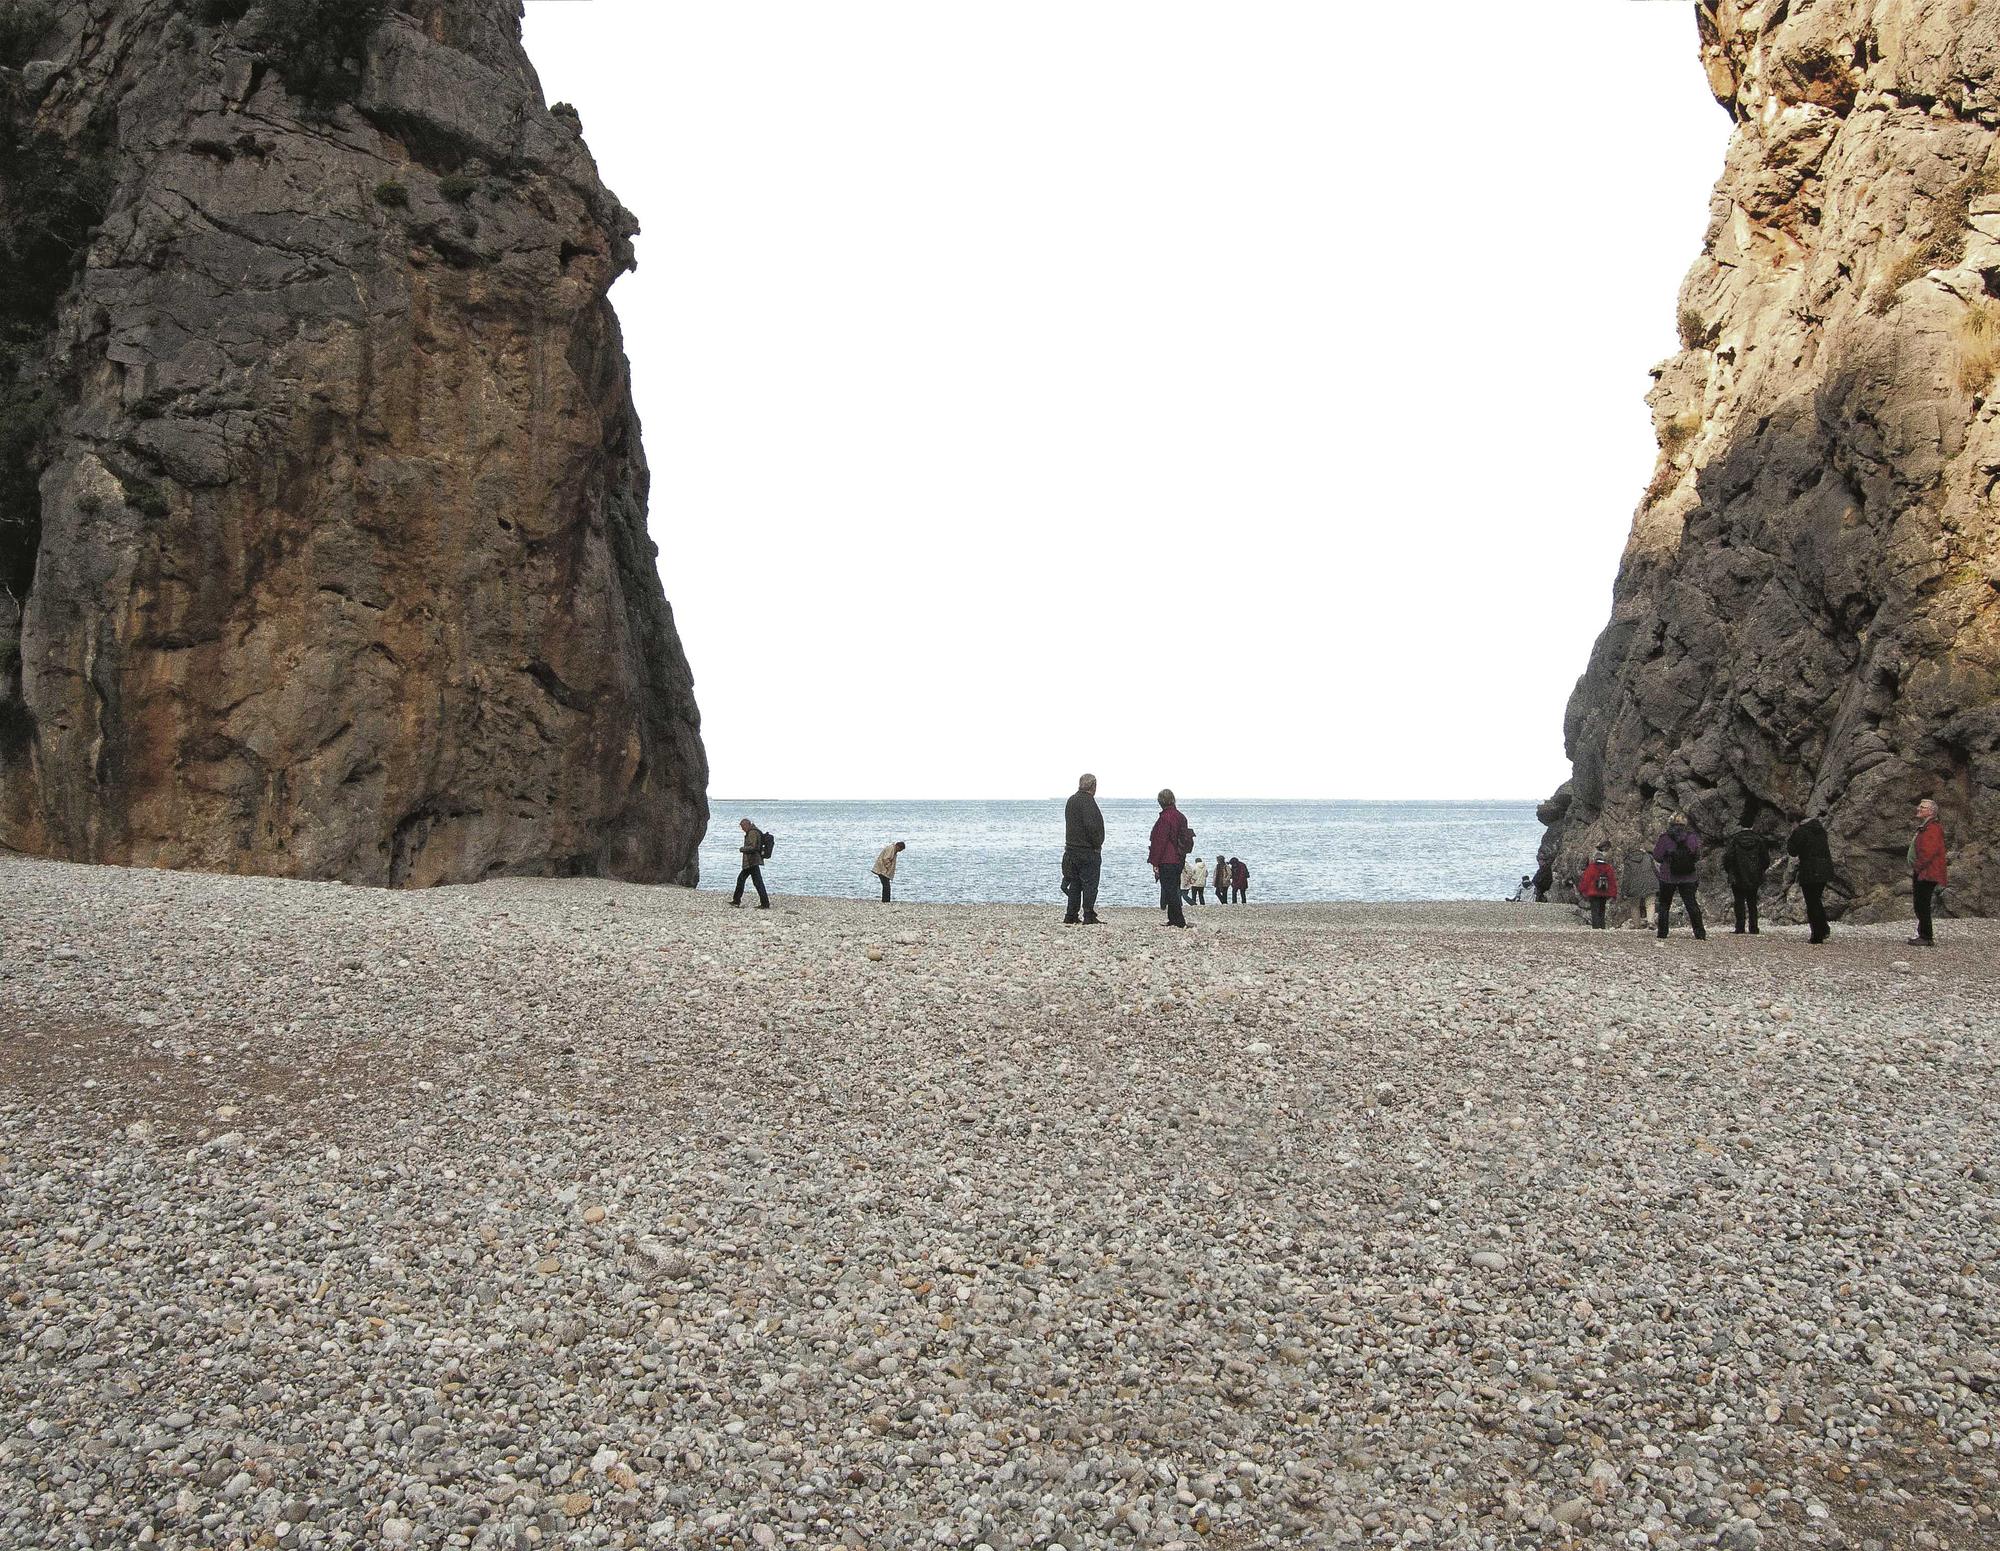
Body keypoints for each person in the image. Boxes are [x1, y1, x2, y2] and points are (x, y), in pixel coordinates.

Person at [1651, 812, 1706, 940]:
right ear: (1685, 824)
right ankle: (1700, 933)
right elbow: (1697, 856)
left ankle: (1662, 933)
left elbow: (1657, 856)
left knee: (1664, 905)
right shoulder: (1692, 837)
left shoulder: (1664, 838)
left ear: (1671, 823)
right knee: (1692, 904)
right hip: (1688, 876)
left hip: (1668, 876)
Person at [1062, 773, 1105, 926]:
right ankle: (1088, 914)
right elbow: (1091, 826)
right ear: (1093, 786)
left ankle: (1071, 914)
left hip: (1071, 849)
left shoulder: (1071, 800)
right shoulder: (1088, 802)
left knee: (1075, 884)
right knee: (1090, 884)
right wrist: (1097, 844)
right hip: (1087, 850)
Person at [1148, 788, 1195, 928]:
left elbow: (1159, 842)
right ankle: (1173, 919)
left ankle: (1178, 920)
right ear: (1173, 800)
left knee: (1170, 890)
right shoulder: (1181, 816)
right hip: (1179, 858)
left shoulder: (1164, 818)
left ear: (1160, 802)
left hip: (1167, 859)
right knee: (1173, 888)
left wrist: (1154, 862)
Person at [1785, 813, 1835, 944]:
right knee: (1816, 900)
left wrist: (1792, 835)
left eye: (1791, 824)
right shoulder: (1820, 829)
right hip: (1825, 869)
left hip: (1810, 870)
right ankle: (1823, 928)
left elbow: (1792, 851)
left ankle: (1817, 935)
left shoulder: (1800, 831)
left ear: (1795, 821)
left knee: (1812, 902)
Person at [1722, 809, 1770, 934]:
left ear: (1741, 825)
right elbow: (1765, 859)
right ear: (1752, 825)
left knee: (1739, 901)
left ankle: (1740, 927)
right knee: (1752, 902)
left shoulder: (1735, 839)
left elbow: (1728, 857)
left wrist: (1730, 871)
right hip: (1754, 875)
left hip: (1737, 875)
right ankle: (1754, 927)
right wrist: (1760, 869)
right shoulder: (1759, 840)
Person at [1909, 797, 1947, 947]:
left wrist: (1917, 867)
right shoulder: (1928, 826)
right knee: (1920, 903)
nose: (1919, 808)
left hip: (1927, 872)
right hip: (1925, 871)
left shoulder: (1932, 828)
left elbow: (1928, 852)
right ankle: (1923, 933)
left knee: (1922, 903)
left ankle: (1926, 936)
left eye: (1922, 807)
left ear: (1931, 811)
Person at [733, 817, 771, 909]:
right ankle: (737, 900)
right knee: (752, 881)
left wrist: (742, 849)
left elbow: (754, 847)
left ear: (747, 824)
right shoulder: (753, 831)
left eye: (742, 826)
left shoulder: (752, 832)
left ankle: (737, 901)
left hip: (752, 861)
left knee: (750, 881)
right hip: (752, 861)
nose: (742, 829)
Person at [1577, 848, 1617, 930]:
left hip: (1593, 893)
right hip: (1604, 893)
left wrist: (1582, 890)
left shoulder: (1591, 867)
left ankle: (1596, 927)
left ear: (1595, 859)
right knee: (1602, 910)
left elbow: (1586, 880)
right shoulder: (1608, 868)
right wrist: (1613, 894)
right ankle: (1602, 926)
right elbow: (1612, 881)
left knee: (1595, 910)